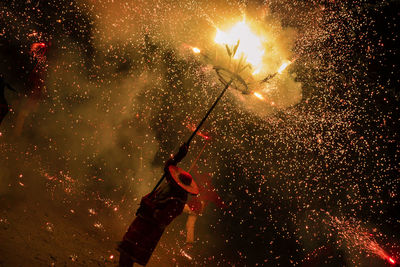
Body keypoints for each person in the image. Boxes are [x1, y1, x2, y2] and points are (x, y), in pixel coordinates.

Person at [118, 144, 199, 267]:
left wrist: (149, 206)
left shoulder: (178, 200)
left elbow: (163, 218)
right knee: (126, 250)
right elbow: (168, 168)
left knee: (130, 253)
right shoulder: (172, 185)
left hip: (150, 229)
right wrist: (179, 156)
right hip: (143, 221)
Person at [180, 165, 226, 259]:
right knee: (190, 224)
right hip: (198, 209)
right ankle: (189, 243)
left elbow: (197, 176)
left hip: (196, 206)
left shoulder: (204, 184)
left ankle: (164, 213)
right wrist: (225, 206)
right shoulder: (211, 188)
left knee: (178, 207)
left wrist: (194, 168)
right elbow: (218, 200)